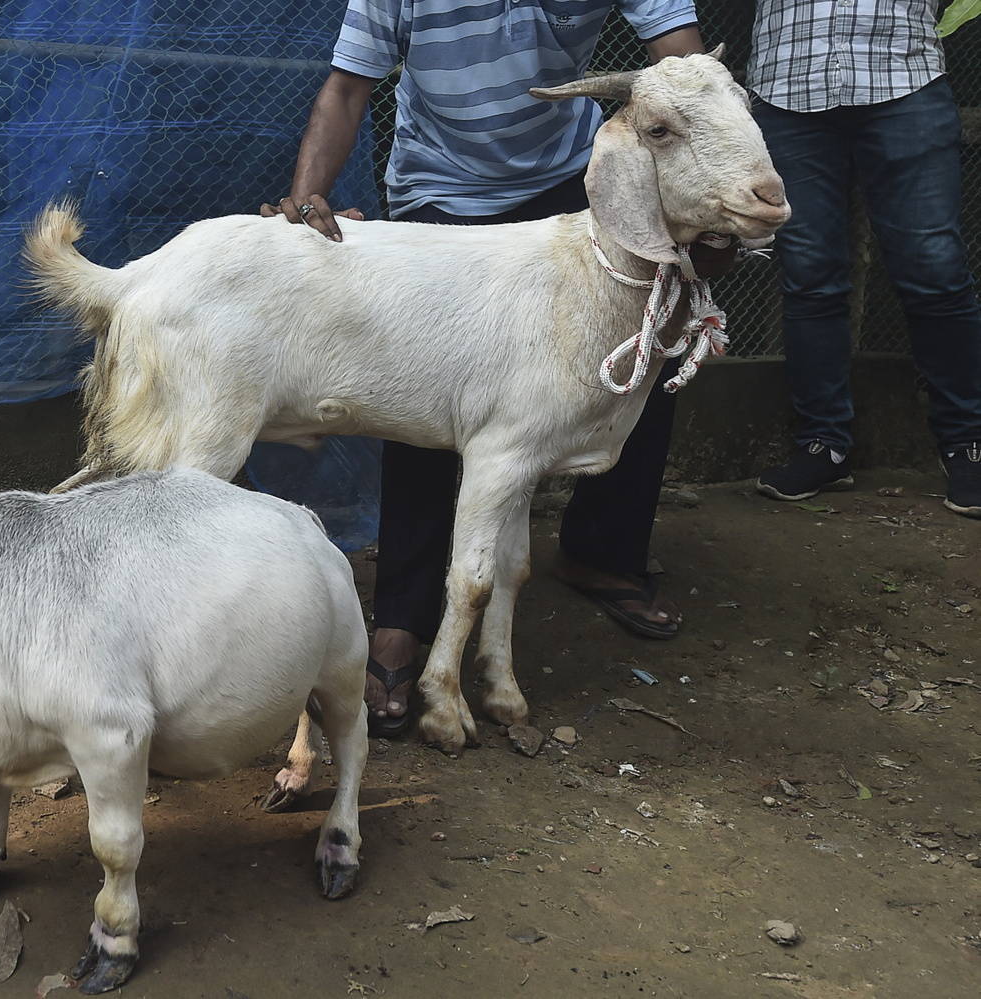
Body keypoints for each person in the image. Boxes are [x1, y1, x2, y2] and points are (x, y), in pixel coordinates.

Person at [261, 1, 724, 736]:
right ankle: (404, 619)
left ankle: (604, 553)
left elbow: (686, 69)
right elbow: (348, 86)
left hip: (571, 177)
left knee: (641, 347)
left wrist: (712, 166)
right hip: (443, 184)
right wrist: (309, 193)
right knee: (424, 391)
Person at [748, 0, 981, 517]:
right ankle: (822, 445)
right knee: (808, 273)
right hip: (789, 80)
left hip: (903, 74)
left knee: (934, 267)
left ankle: (968, 443)